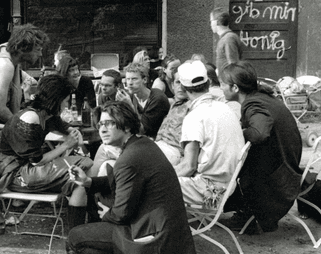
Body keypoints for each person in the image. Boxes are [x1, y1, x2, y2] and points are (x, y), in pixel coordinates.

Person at [65, 102, 198, 254]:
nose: (102, 129)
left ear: (126, 125)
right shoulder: (142, 145)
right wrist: (87, 182)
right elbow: (114, 180)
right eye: (100, 124)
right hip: (166, 233)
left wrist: (106, 214)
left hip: (153, 241)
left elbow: (121, 214)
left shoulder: (129, 158)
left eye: (109, 124)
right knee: (100, 203)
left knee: (75, 239)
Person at [0, 75, 92, 230]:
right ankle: (80, 230)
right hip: (16, 174)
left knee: (80, 180)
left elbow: (61, 125)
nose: (66, 105)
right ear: (56, 100)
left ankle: (78, 232)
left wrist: (72, 130)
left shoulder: (45, 114)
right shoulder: (30, 118)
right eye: (65, 101)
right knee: (85, 164)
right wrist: (66, 145)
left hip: (26, 171)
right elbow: (37, 160)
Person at [219, 62, 303, 233]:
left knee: (228, 161)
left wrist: (237, 132)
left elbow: (259, 134)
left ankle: (247, 215)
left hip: (280, 175)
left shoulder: (253, 104)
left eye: (222, 84)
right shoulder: (261, 96)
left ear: (235, 88)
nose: (220, 88)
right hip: (287, 161)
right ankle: (246, 213)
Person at [173, 61, 245, 207]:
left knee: (150, 184)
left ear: (182, 86)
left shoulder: (194, 117)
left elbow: (188, 167)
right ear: (209, 83)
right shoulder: (225, 108)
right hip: (229, 186)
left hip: (209, 191)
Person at [0, 24, 48, 124]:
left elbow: (15, 98)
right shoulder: (5, 65)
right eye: (37, 50)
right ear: (23, 48)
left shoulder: (7, 51)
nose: (40, 54)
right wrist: (22, 127)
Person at [124, 62, 170, 138]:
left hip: (156, 140)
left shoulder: (157, 98)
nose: (130, 83)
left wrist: (129, 106)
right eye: (128, 79)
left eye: (134, 79)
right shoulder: (130, 96)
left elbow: (142, 131)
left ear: (144, 80)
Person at [210, 7, 245, 73]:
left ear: (216, 22)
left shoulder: (228, 39)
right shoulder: (226, 38)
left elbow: (233, 65)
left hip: (228, 82)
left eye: (211, 21)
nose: (210, 24)